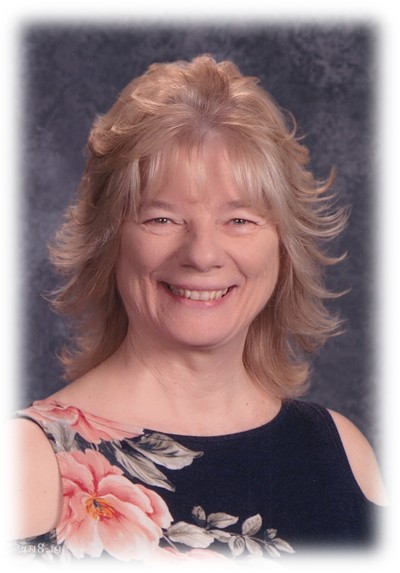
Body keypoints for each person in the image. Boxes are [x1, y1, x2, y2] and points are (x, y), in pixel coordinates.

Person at [11, 54, 386, 564]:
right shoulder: (29, 464)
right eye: (162, 219)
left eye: (240, 220)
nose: (203, 255)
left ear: (283, 247)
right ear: (108, 240)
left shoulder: (343, 454)